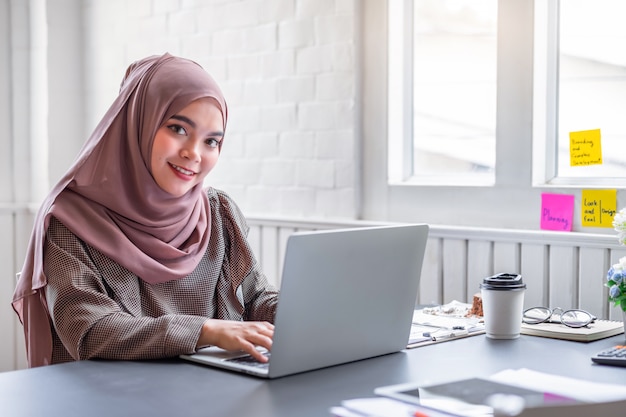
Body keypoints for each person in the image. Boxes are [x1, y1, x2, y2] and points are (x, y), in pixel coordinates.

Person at [12, 53, 279, 368]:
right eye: (178, 128)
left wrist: (308, 312)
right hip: (109, 400)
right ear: (138, 123)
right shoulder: (71, 219)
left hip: (209, 395)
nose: (193, 153)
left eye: (211, 141)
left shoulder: (220, 213)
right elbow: (88, 330)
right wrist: (204, 330)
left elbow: (256, 298)